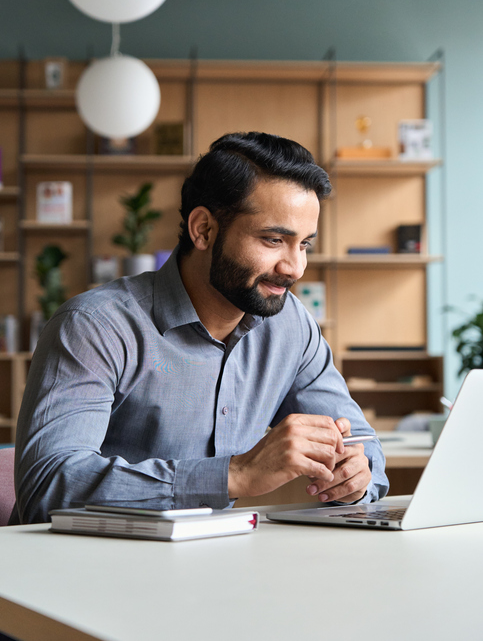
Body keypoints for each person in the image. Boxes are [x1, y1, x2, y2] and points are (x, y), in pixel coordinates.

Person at [11, 131, 388, 524]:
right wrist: (236, 475)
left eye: (304, 245)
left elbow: (365, 449)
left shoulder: (291, 325)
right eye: (274, 240)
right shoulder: (95, 327)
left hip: (213, 565)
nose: (294, 267)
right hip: (85, 571)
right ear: (203, 229)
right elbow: (48, 486)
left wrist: (354, 478)